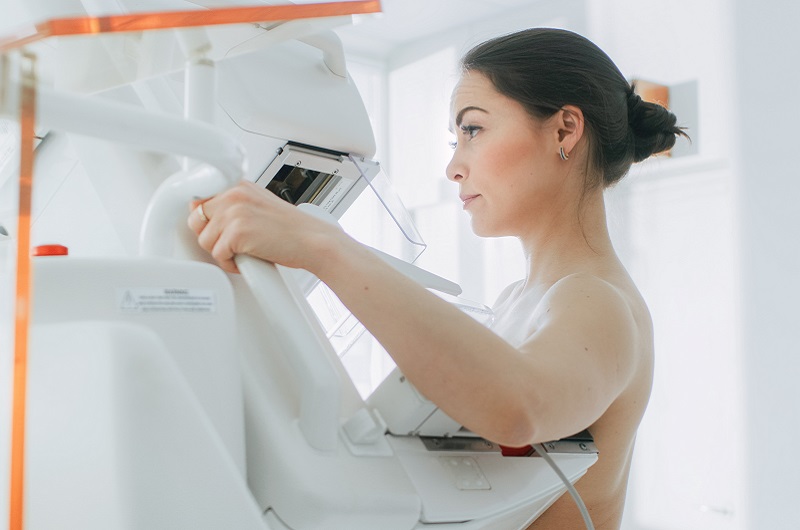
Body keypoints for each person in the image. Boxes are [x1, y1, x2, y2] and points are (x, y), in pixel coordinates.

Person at [188, 28, 686, 530]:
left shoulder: (597, 299)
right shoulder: (523, 297)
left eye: (472, 130)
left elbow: (518, 405)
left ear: (564, 131)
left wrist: (324, 247)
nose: (453, 167)